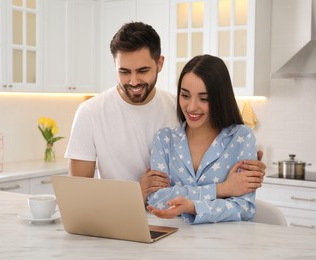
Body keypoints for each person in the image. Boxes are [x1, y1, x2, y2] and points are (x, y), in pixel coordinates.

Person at [65, 22, 265, 203]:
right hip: (117, 220)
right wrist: (136, 193)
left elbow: (210, 160)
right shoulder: (90, 113)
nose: (133, 81)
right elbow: (78, 196)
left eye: (142, 71)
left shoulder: (180, 108)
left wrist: (245, 164)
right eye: (124, 72)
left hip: (176, 221)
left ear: (159, 63)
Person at [147, 54, 257, 224]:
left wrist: (192, 207)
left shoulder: (241, 138)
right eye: (185, 95)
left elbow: (244, 207)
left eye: (204, 98)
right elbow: (156, 200)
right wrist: (221, 189)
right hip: (175, 242)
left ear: (220, 98)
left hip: (228, 243)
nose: (191, 107)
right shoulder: (165, 139)